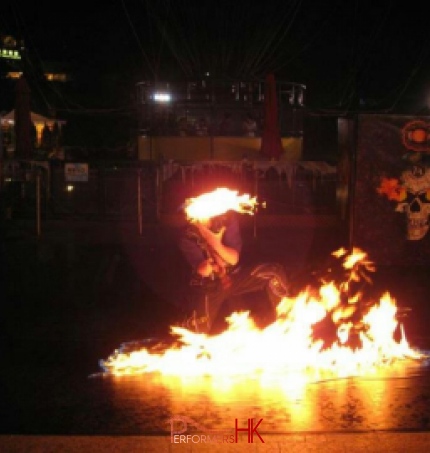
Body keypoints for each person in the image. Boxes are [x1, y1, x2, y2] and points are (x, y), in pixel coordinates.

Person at [177, 204, 290, 334]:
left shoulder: (226, 219)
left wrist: (214, 242)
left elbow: (233, 259)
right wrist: (209, 262)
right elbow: (203, 270)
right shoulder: (188, 236)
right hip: (209, 286)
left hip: (234, 276)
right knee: (196, 330)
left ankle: (285, 319)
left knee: (273, 272)